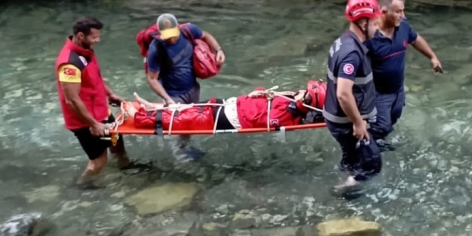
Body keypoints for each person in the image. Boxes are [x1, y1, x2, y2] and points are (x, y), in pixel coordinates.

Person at [56, 16, 135, 185]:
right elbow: (72, 100)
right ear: (80, 36)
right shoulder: (69, 64)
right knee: (99, 161)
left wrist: (110, 94)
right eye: (94, 37)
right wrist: (93, 124)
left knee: (117, 144)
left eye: (98, 36)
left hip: (102, 113)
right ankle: (82, 186)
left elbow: (95, 78)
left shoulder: (86, 51)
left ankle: (126, 167)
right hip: (86, 122)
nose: (97, 40)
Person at [364, 0, 443, 150]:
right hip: (378, 92)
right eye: (398, 11)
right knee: (382, 126)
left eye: (403, 11)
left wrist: (432, 57)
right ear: (384, 12)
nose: (402, 15)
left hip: (398, 89)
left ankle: (378, 141)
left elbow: (415, 39)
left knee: (393, 119)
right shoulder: (370, 36)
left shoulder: (403, 25)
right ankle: (366, 147)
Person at [323, 0, 383, 195]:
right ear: (362, 22)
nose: (377, 28)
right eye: (374, 23)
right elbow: (343, 94)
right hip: (345, 121)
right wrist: (357, 122)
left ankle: (346, 175)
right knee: (371, 164)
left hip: (337, 118)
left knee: (351, 156)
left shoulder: (344, 41)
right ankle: (345, 193)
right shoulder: (351, 53)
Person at [145, 13, 226, 160]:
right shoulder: (156, 49)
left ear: (178, 28)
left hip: (192, 88)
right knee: (180, 125)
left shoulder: (188, 30)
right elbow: (152, 79)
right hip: (173, 94)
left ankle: (185, 146)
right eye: (167, 35)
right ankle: (179, 154)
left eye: (173, 34)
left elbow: (206, 35)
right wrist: (167, 99)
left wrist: (218, 50)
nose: (171, 38)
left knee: (189, 123)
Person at [126, 80, 327, 131]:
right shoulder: (289, 98)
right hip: (228, 104)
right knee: (187, 108)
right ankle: (156, 109)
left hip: (227, 118)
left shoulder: (288, 115)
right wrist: (263, 93)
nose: (300, 89)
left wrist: (273, 102)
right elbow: (261, 102)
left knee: (182, 120)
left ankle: (137, 118)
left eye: (304, 92)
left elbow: (262, 121)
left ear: (306, 100)